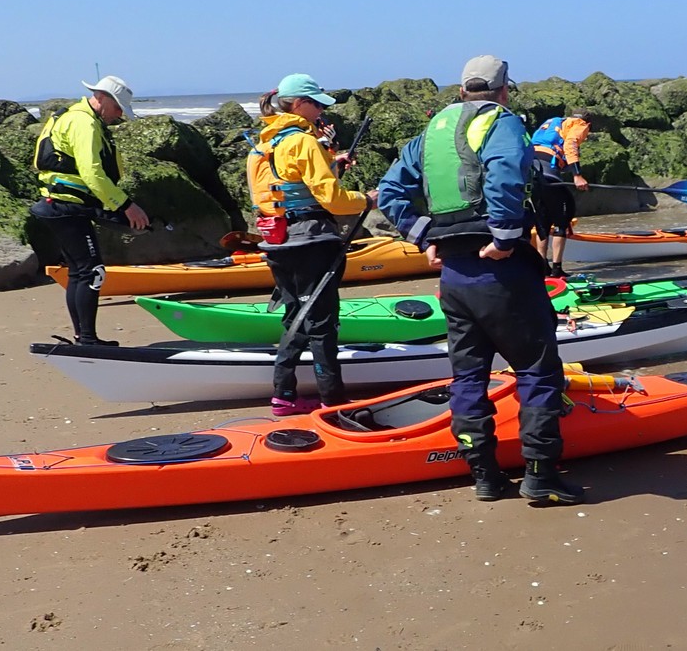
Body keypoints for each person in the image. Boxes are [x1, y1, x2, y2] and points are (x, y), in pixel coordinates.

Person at [376, 55, 584, 504]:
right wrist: (507, 237)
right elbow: (505, 175)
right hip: (501, 270)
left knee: (468, 377)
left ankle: (485, 476)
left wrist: (423, 236)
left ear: (462, 90)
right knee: (537, 370)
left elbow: (388, 191)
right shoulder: (501, 121)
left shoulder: (431, 129)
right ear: (504, 90)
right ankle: (540, 473)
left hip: (453, 275)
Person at [247, 73, 377, 416]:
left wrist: (333, 164)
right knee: (321, 322)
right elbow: (332, 200)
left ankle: (283, 394)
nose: (320, 111)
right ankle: (333, 399)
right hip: (311, 241)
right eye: (317, 104)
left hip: (276, 241)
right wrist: (366, 199)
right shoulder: (304, 142)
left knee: (295, 315)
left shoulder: (264, 143)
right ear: (299, 104)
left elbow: (287, 182)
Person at [31, 75, 149, 346]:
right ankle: (87, 339)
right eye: (119, 108)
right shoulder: (85, 123)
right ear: (103, 99)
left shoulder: (75, 116)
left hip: (61, 205)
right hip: (66, 207)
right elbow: (91, 173)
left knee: (79, 271)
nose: (119, 116)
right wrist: (126, 205)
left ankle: (83, 336)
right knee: (93, 272)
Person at [530, 110, 592, 277]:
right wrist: (577, 175)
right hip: (548, 173)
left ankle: (542, 268)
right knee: (563, 217)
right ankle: (557, 269)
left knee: (543, 220)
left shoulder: (552, 121)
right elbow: (570, 144)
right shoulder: (580, 124)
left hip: (531, 173)